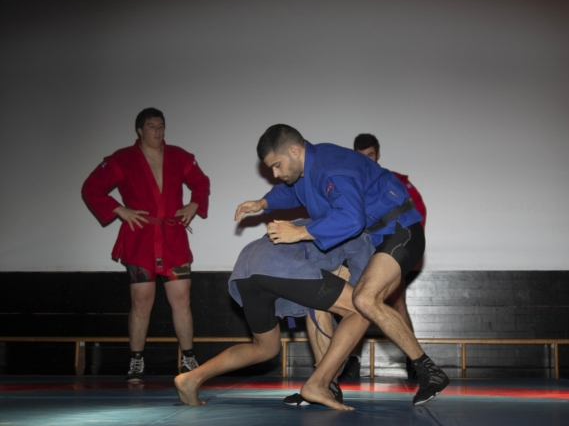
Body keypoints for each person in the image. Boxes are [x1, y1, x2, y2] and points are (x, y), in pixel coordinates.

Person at [231, 124, 449, 406]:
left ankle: (429, 371)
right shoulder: (305, 172)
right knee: (318, 305)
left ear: (295, 150)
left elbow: (351, 218)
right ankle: (325, 384)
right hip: (366, 240)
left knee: (365, 300)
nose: (275, 173)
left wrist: (299, 232)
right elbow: (291, 192)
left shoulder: (332, 166)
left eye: (277, 165)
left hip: (398, 230)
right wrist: (263, 202)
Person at [173, 223, 373, 410]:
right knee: (361, 310)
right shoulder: (359, 235)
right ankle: (319, 385)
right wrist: (331, 367)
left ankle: (191, 378)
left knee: (265, 347)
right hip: (277, 264)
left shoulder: (323, 222)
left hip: (247, 266)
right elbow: (361, 296)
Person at [81, 108, 210, 382]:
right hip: (140, 238)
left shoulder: (179, 156)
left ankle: (189, 358)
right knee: (141, 301)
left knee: (182, 299)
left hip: (172, 238)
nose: (158, 131)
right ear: (140, 130)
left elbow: (201, 182)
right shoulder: (122, 159)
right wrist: (119, 209)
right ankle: (136, 360)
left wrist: (194, 204)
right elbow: (91, 187)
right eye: (152, 126)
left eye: (161, 125)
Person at [338, 133, 427, 379]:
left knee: (397, 303)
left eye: (370, 155)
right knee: (356, 303)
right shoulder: (350, 184)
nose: (366, 160)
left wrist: (403, 255)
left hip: (391, 251)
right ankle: (352, 361)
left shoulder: (394, 180)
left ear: (377, 155)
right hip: (361, 254)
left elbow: (417, 216)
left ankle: (415, 362)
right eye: (361, 156)